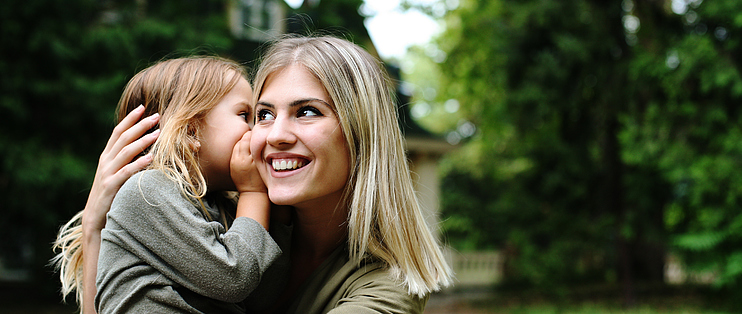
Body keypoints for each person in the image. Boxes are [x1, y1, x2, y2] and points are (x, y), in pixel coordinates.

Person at [56, 35, 453, 314]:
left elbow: (250, 288)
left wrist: (257, 197)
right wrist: (95, 226)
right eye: (261, 115)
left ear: (362, 134)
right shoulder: (222, 211)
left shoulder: (384, 287)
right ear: (191, 130)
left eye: (307, 111)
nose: (272, 135)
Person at [53, 56, 288, 313]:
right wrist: (254, 192)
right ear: (191, 131)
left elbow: (263, 299)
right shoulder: (147, 191)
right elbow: (234, 278)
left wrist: (278, 217)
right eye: (245, 115)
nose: (258, 132)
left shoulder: (224, 206)